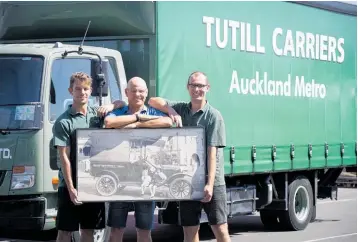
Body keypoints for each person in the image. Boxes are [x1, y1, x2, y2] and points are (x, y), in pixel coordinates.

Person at [148, 71, 231, 242]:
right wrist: (171, 111)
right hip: (188, 181)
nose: (197, 89)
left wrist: (209, 184)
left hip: (212, 183)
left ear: (207, 88)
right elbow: (152, 101)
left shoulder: (213, 116)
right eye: (193, 85)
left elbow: (212, 152)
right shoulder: (181, 109)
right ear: (188, 87)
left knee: (220, 229)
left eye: (201, 86)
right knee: (190, 231)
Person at [52, 71, 124, 242]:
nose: (82, 92)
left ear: (90, 90)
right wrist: (71, 189)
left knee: (88, 231)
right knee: (64, 232)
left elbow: (122, 103)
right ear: (71, 91)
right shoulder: (63, 122)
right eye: (78, 89)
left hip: (92, 185)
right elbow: (64, 158)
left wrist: (112, 107)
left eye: (85, 89)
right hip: (70, 187)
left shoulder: (98, 115)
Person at [104, 76, 173, 242]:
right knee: (116, 231)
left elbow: (168, 122)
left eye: (141, 91)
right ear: (127, 93)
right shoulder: (118, 111)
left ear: (146, 93)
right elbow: (108, 122)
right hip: (121, 178)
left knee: (144, 232)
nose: (137, 94)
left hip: (146, 176)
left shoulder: (153, 112)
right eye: (133, 90)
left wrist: (136, 125)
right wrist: (136, 118)